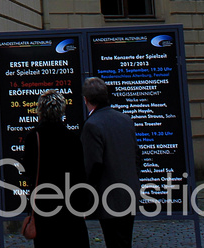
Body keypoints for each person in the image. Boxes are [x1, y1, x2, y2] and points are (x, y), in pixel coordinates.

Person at [79, 77, 141, 248]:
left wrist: (86, 200)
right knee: (124, 241)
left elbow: (93, 166)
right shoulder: (125, 119)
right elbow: (137, 157)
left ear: (86, 100)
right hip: (129, 193)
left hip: (109, 198)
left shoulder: (92, 125)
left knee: (114, 242)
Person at [23, 90, 89, 247]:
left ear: (40, 110)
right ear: (62, 111)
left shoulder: (34, 137)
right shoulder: (72, 138)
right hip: (70, 205)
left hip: (44, 205)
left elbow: (29, 170)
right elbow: (80, 174)